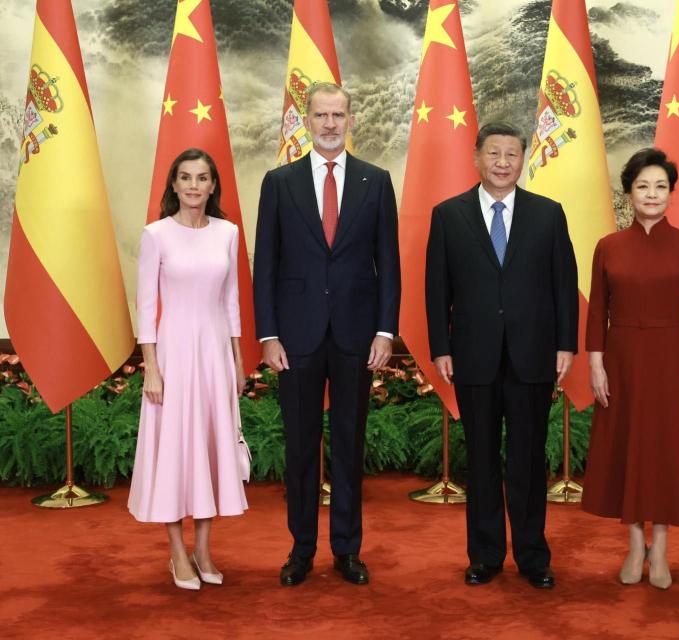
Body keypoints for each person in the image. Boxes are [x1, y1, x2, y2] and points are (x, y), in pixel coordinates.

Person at [254, 82, 401, 587]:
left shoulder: (376, 181)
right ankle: (301, 550)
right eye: (321, 115)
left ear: (351, 120)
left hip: (358, 336)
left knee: (348, 442)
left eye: (339, 115)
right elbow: (265, 267)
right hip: (294, 338)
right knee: (300, 446)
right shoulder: (279, 182)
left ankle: (347, 549)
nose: (330, 124)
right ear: (306, 120)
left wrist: (386, 331)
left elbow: (389, 262)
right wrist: (267, 335)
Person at [425, 121, 578, 589]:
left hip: (532, 355)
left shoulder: (548, 214)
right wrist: (441, 347)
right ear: (478, 157)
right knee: (483, 459)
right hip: (473, 355)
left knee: (528, 461)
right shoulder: (449, 215)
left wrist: (565, 344)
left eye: (512, 155)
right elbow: (436, 289)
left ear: (522, 160)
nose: (503, 163)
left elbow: (564, 287)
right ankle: (486, 555)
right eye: (494, 154)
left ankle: (533, 557)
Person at [581, 147, 679, 590]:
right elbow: (597, 310)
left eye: (661, 186)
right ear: (629, 193)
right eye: (643, 186)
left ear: (671, 193)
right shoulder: (608, 247)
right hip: (620, 359)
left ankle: (660, 548)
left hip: (671, 359)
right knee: (627, 448)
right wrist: (596, 366)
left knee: (664, 451)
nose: (652, 194)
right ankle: (634, 543)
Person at [128, 147, 248, 591]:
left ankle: (203, 550)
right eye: (186, 177)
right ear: (173, 185)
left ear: (213, 185)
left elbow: (231, 301)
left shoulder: (228, 233)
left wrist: (236, 358)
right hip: (174, 355)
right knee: (175, 450)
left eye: (202, 178)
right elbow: (145, 306)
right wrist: (152, 367)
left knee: (210, 451)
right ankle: (176, 552)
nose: (194, 186)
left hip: (215, 355)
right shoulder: (156, 234)